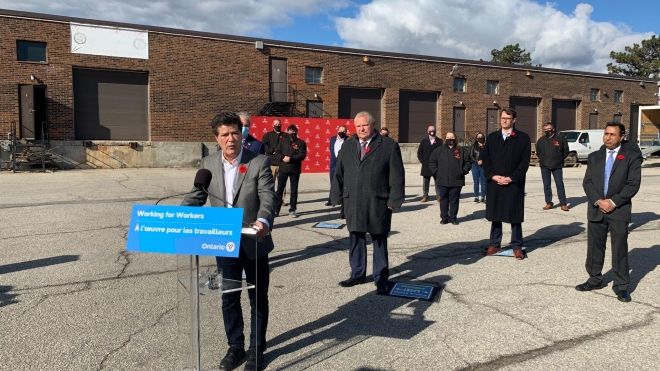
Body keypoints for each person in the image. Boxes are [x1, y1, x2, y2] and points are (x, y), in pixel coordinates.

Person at [181, 112, 275, 371]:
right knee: (229, 297)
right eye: (225, 134)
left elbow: (268, 198)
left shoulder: (258, 162)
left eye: (235, 132)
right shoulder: (208, 163)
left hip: (254, 241)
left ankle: (256, 349)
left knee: (258, 297)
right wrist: (178, 215)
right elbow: (198, 195)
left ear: (241, 134)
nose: (231, 138)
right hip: (223, 243)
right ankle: (235, 347)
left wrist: (264, 222)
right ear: (217, 138)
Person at [331, 111, 405, 294]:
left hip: (377, 200)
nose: (361, 129)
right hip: (353, 200)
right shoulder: (348, 146)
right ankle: (357, 274)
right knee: (355, 237)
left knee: (379, 238)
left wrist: (395, 199)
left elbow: (397, 174)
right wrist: (337, 196)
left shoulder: (388, 145)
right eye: (358, 126)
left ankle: (381, 278)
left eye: (365, 125)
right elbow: (338, 172)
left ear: (373, 125)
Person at [576, 122, 642, 302]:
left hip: (618, 210)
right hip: (597, 208)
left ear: (622, 137)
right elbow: (587, 182)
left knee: (619, 248)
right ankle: (595, 279)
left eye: (613, 134)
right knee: (594, 247)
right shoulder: (595, 156)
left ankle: (621, 286)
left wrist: (613, 202)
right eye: (606, 133)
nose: (608, 137)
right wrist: (598, 201)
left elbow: (633, 184)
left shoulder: (631, 157)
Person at [481, 108, 531, 260]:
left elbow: (524, 163)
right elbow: (486, 160)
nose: (504, 120)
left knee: (514, 216)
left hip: (513, 183)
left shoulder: (523, 138)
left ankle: (517, 245)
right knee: (496, 214)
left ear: (514, 120)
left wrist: (511, 178)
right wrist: (493, 176)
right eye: (502, 118)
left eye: (508, 118)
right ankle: (495, 244)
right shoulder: (492, 138)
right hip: (495, 182)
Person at [428, 131, 472, 225]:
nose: (450, 139)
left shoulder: (461, 150)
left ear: (455, 139)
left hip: (457, 180)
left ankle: (453, 217)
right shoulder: (438, 150)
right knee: (443, 199)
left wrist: (463, 171)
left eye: (451, 137)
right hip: (442, 180)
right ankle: (444, 217)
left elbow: (468, 162)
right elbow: (431, 162)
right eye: (448, 137)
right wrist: (436, 172)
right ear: (445, 139)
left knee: (454, 200)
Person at [536, 122, 570, 211]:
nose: (548, 131)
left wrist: (559, 159)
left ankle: (563, 204)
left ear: (553, 129)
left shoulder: (561, 139)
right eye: (546, 129)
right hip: (545, 166)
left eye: (549, 129)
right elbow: (538, 152)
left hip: (557, 166)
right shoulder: (541, 140)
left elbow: (566, 151)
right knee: (546, 185)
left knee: (560, 185)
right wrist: (543, 159)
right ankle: (548, 203)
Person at [276, 124, 307, 218]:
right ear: (287, 131)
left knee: (294, 191)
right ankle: (276, 210)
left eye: (294, 131)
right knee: (279, 190)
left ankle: (292, 210)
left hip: (295, 170)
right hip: (283, 169)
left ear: (296, 132)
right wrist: (282, 157)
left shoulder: (301, 142)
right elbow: (277, 152)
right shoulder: (282, 141)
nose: (292, 133)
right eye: (290, 131)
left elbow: (302, 155)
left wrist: (291, 158)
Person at [262, 119, 287, 206]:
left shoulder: (285, 135)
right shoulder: (267, 135)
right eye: (276, 124)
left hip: (282, 163)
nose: (278, 125)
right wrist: (273, 151)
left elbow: (287, 147)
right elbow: (265, 147)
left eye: (279, 124)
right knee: (270, 183)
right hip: (271, 163)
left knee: (282, 183)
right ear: (273, 125)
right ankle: (270, 199)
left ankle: (281, 200)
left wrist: (278, 152)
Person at [417, 124, 442, 202]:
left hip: (436, 166)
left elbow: (442, 153)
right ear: (427, 131)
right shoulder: (423, 141)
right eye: (430, 131)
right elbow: (419, 153)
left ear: (435, 131)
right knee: (426, 182)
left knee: (438, 182)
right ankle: (425, 196)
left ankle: (439, 196)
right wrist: (422, 161)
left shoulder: (440, 141)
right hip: (426, 165)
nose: (432, 132)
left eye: (433, 131)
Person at [326, 125, 348, 216]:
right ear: (337, 130)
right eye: (340, 130)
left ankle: (341, 203)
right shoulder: (332, 139)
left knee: (343, 184)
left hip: (344, 165)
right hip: (333, 165)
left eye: (344, 131)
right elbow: (331, 149)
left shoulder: (348, 140)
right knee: (333, 182)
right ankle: (331, 199)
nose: (342, 132)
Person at [470, 132, 487, 203]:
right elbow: (471, 155)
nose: (480, 138)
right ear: (476, 139)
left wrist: (483, 160)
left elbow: (490, 156)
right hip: (475, 166)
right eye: (479, 137)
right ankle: (476, 197)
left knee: (483, 182)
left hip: (484, 166)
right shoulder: (473, 146)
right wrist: (477, 161)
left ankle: (483, 197)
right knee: (476, 182)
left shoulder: (487, 146)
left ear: (484, 138)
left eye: (481, 137)